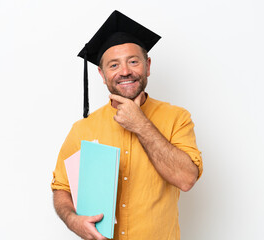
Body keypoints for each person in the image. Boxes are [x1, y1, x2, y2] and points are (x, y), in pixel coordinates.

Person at [51, 10, 203, 240]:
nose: (125, 71)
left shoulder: (177, 118)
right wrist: (73, 221)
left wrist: (140, 124)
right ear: (102, 74)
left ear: (148, 65)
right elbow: (61, 186)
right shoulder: (82, 129)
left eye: (133, 61)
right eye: (114, 65)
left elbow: (186, 178)